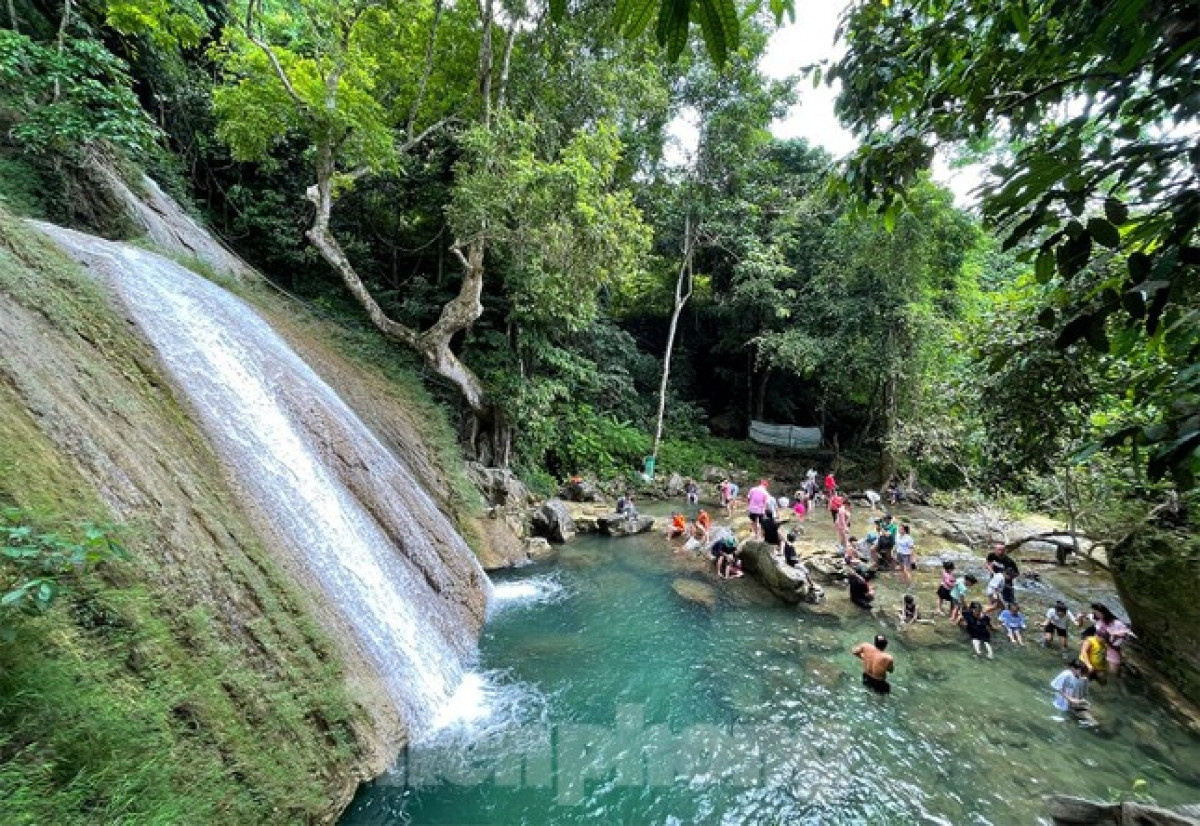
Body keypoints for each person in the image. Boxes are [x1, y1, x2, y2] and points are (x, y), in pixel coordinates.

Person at [1090, 603, 1132, 680]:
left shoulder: (1116, 623)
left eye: (1097, 613)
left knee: (1114, 673)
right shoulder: (1099, 622)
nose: (1096, 614)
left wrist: (1115, 633)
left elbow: (1126, 633)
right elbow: (1097, 635)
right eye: (1095, 612)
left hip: (1113, 649)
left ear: (1104, 612)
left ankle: (1123, 668)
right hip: (1102, 648)